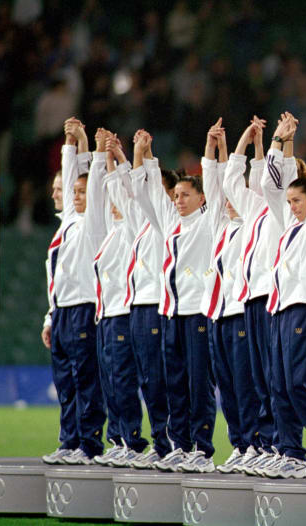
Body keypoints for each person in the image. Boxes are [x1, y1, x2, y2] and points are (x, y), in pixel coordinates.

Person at [131, 120, 230, 473]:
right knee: (174, 381)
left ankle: (202, 449)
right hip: (170, 313)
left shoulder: (208, 221)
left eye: (186, 195)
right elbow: (150, 193)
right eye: (177, 196)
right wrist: (145, 155)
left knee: (199, 383)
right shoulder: (170, 222)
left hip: (198, 312)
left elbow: (216, 183)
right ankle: (181, 444)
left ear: (201, 198)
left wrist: (211, 146)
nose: (179, 200)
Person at [257, 112, 306, 478]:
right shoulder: (288, 224)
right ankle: (291, 451)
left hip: (304, 307)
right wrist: (279, 141)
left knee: (296, 383)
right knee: (278, 385)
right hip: (279, 310)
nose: (292, 207)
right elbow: (270, 186)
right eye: (289, 202)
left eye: (298, 201)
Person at [40, 117, 108, 465]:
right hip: (64, 310)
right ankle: (68, 442)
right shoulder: (66, 223)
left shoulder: (94, 222)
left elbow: (87, 184)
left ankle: (90, 444)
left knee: (85, 380)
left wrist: (87, 148)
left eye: (81, 193)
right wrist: (51, 317)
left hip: (85, 307)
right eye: (72, 193)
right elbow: (70, 180)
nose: (73, 196)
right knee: (66, 382)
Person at [204, 116, 269, 474]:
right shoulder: (221, 226)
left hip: (242, 312)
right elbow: (217, 186)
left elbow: (252, 182)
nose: (229, 202)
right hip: (216, 314)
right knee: (227, 387)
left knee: (247, 384)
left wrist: (251, 145)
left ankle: (256, 442)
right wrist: (216, 149)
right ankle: (240, 444)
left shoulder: (254, 226)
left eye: (236, 198)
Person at [111, 129, 178, 469]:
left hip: (155, 305)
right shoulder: (143, 224)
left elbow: (144, 186)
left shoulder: (169, 222)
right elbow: (132, 191)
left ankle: (169, 443)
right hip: (138, 306)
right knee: (146, 379)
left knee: (158, 378)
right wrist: (123, 158)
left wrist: (145, 156)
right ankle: (160, 442)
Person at [90, 133, 151, 467]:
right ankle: (117, 438)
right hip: (105, 314)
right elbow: (111, 192)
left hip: (124, 312)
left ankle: (131, 439)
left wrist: (119, 160)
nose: (114, 200)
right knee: (110, 380)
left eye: (119, 194)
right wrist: (105, 157)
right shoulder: (110, 231)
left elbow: (128, 194)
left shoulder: (133, 227)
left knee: (124, 379)